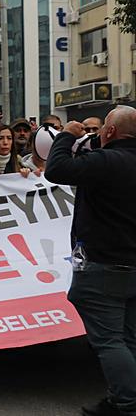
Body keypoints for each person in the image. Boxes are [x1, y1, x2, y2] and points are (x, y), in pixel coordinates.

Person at [44, 106, 136, 416]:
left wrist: (66, 137)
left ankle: (127, 404)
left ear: (109, 132)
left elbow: (55, 170)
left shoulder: (107, 161)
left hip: (104, 265)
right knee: (128, 338)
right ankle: (120, 396)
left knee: (109, 341)